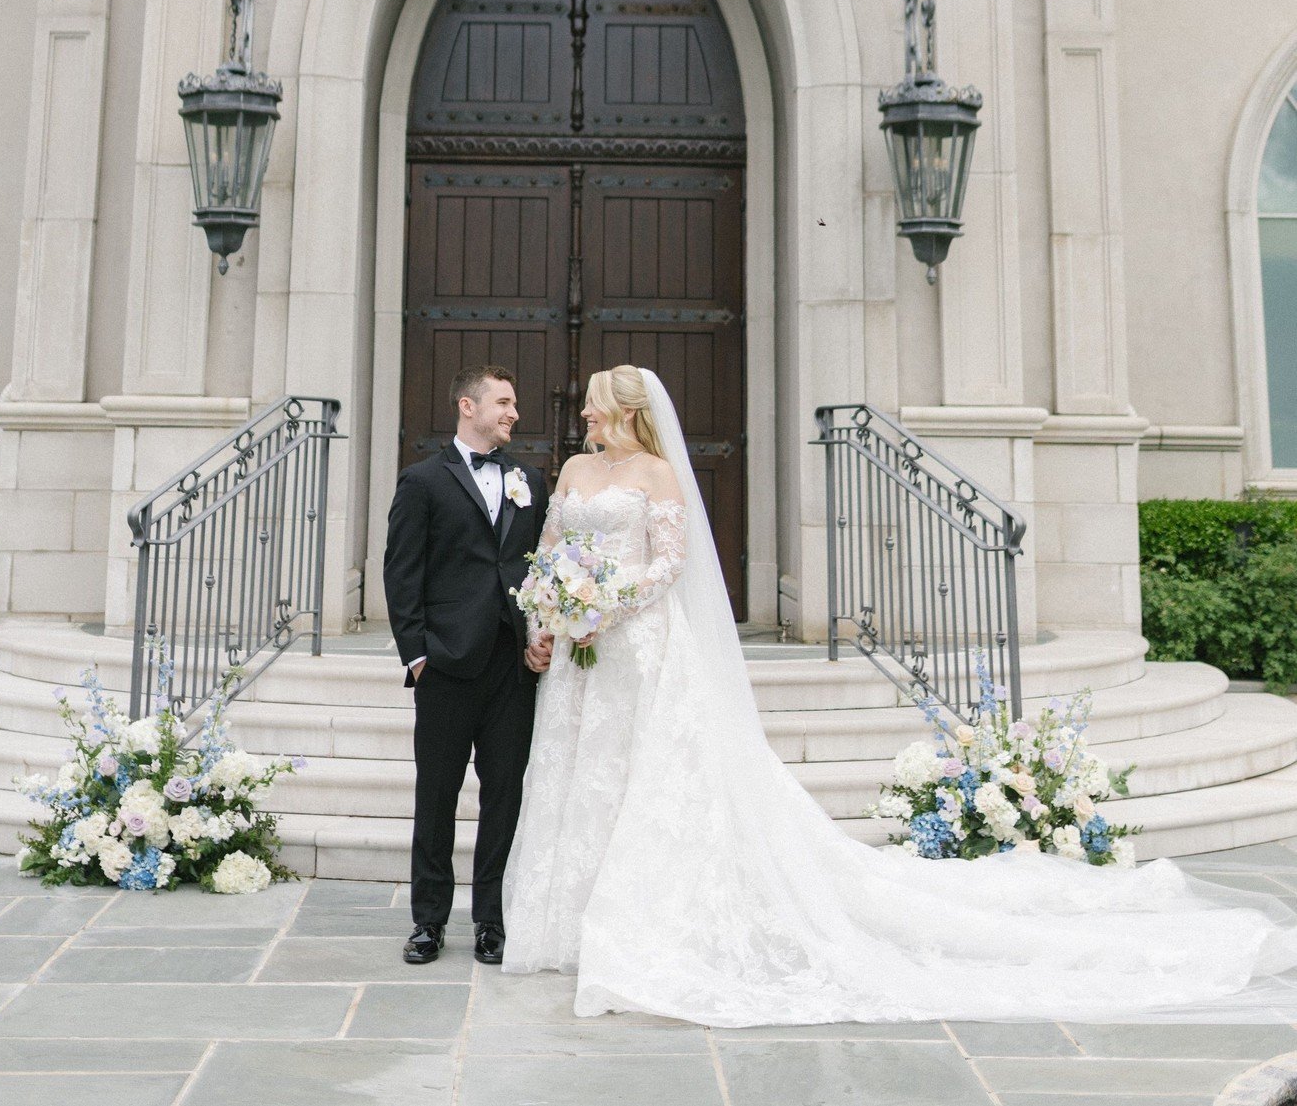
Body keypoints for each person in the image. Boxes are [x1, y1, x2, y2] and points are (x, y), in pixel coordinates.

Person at [502, 363, 1297, 1026]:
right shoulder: (573, 472)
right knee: (581, 776)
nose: (585, 419)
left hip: (637, 646)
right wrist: (551, 614)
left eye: (595, 410)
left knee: (647, 780)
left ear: (627, 415)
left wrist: (601, 608)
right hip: (579, 658)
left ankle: (643, 920)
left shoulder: (657, 472)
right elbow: (551, 550)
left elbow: (666, 564)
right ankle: (567, 919)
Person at [383, 364, 552, 968]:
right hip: (447, 666)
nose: (513, 413)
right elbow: (402, 574)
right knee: (437, 797)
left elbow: (541, 569)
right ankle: (428, 922)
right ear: (467, 406)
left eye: (513, 404)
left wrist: (542, 635)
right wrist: (418, 655)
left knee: (504, 797)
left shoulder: (529, 480)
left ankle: (491, 921)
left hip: (512, 667)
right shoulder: (423, 480)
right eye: (503, 403)